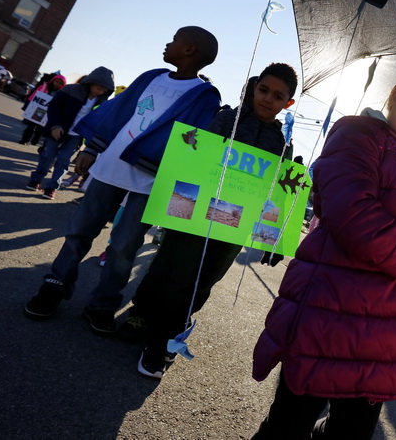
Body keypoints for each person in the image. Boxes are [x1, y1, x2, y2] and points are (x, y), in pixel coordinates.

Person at [250, 60, 396, 440]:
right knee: (288, 426)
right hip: (326, 317)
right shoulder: (357, 136)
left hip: (383, 336)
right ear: (395, 94)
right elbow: (351, 212)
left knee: (352, 432)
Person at [23, 26, 222, 336]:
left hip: (150, 181)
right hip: (110, 167)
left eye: (174, 40)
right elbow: (116, 112)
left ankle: (102, 304)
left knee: (124, 247)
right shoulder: (150, 77)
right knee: (79, 231)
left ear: (189, 51)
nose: (167, 44)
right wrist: (92, 147)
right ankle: (55, 284)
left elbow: (197, 144)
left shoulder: (205, 97)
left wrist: (181, 195)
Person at [120, 63, 298, 379]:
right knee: (170, 269)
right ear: (254, 87)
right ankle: (150, 326)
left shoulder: (283, 145)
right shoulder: (227, 119)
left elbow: (278, 195)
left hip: (233, 226)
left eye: (278, 96)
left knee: (205, 279)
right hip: (194, 215)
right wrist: (174, 203)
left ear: (288, 104)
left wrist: (275, 238)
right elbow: (192, 158)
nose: (268, 99)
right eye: (263, 90)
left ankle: (176, 326)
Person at [24, 68, 115, 200]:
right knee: (47, 156)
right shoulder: (70, 89)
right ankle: (35, 180)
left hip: (76, 135)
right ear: (91, 82)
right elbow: (54, 107)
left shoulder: (103, 102)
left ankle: (51, 187)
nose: (100, 92)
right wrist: (55, 126)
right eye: (99, 88)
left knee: (63, 160)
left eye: (104, 90)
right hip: (57, 129)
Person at [19, 73, 67, 146]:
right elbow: (33, 95)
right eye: (56, 81)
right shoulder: (43, 86)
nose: (57, 84)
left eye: (60, 83)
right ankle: (24, 139)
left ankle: (35, 140)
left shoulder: (60, 93)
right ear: (53, 81)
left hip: (47, 113)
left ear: (62, 85)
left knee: (40, 129)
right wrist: (27, 105)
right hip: (36, 109)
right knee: (30, 126)